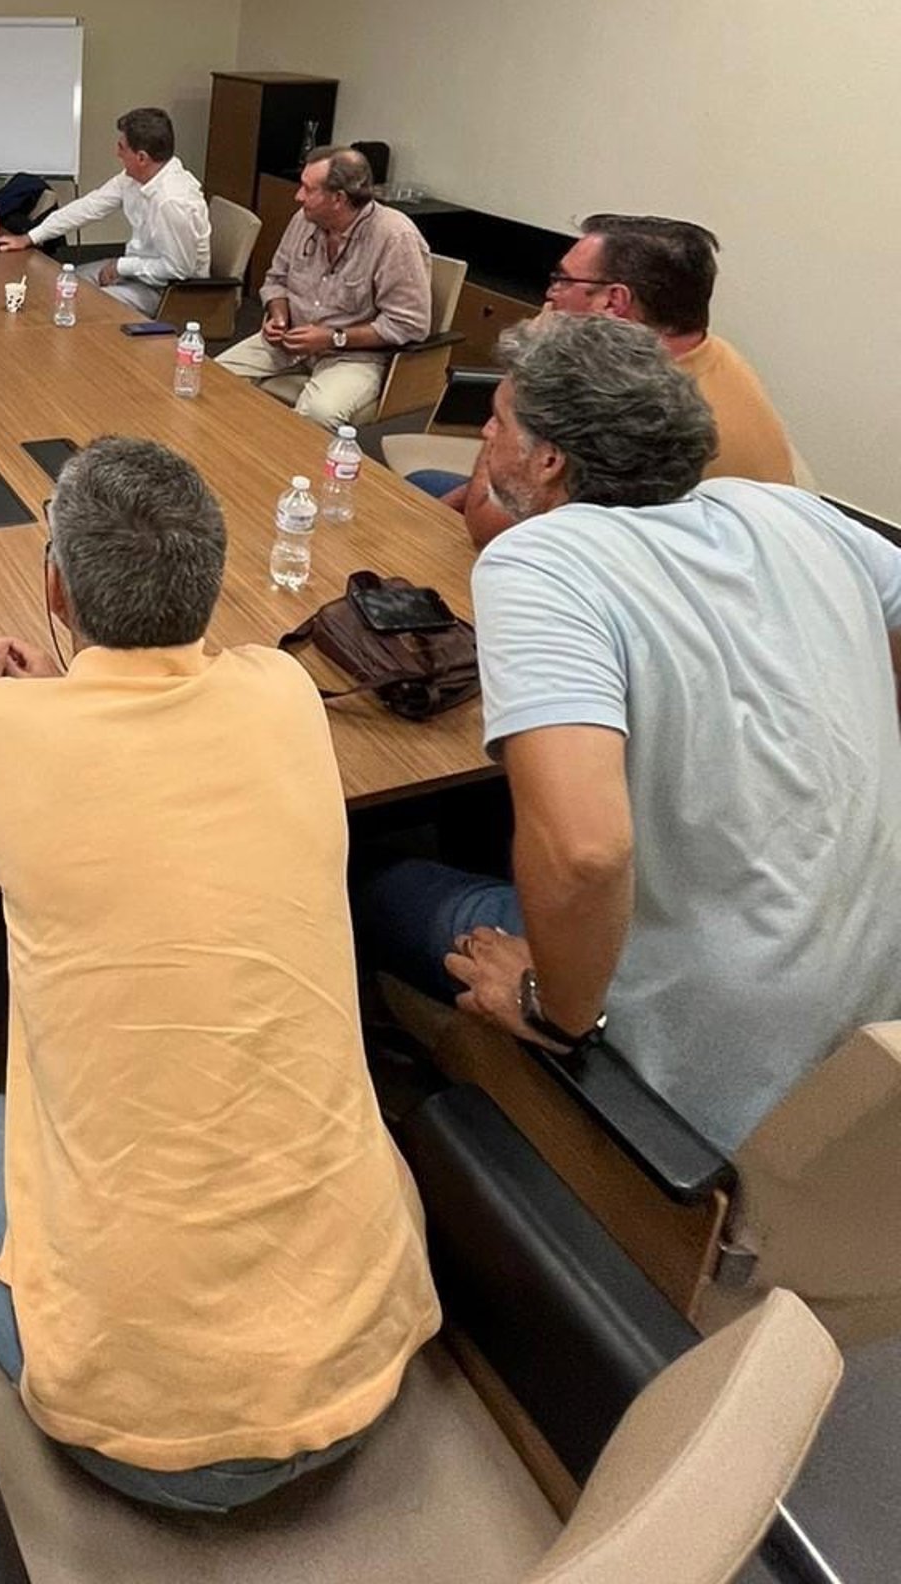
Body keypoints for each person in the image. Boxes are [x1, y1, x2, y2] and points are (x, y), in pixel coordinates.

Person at [0, 436, 439, 1513]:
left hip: (158, 1434)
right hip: (370, 1341)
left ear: (55, 590)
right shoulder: (285, 692)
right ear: (210, 583)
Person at [356, 316, 901, 1153]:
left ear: (548, 459)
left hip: (695, 1064)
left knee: (361, 864)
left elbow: (587, 854)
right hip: (870, 995)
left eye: (497, 421)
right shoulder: (792, 511)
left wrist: (554, 1008)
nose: (485, 437)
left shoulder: (542, 559)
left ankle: (453, 1130)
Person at [406, 212, 796, 507]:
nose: (551, 294)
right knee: (424, 485)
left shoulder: (624, 407)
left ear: (613, 301)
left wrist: (532, 362)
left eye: (564, 280)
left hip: (641, 575)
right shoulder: (710, 353)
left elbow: (485, 522)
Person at [214, 146, 431, 427]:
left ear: (338, 198)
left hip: (353, 357)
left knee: (317, 413)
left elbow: (409, 325)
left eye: (308, 189)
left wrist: (333, 338)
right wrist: (279, 317)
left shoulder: (394, 237)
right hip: (289, 341)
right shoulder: (304, 220)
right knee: (212, 377)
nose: (298, 196)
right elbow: (277, 279)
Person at [0, 107, 209, 315]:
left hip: (169, 292)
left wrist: (121, 267)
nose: (117, 153)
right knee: (63, 282)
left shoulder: (172, 201)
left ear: (142, 158)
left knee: (77, 302)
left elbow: (179, 270)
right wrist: (30, 237)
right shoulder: (133, 179)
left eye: (122, 147)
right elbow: (88, 207)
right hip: (138, 272)